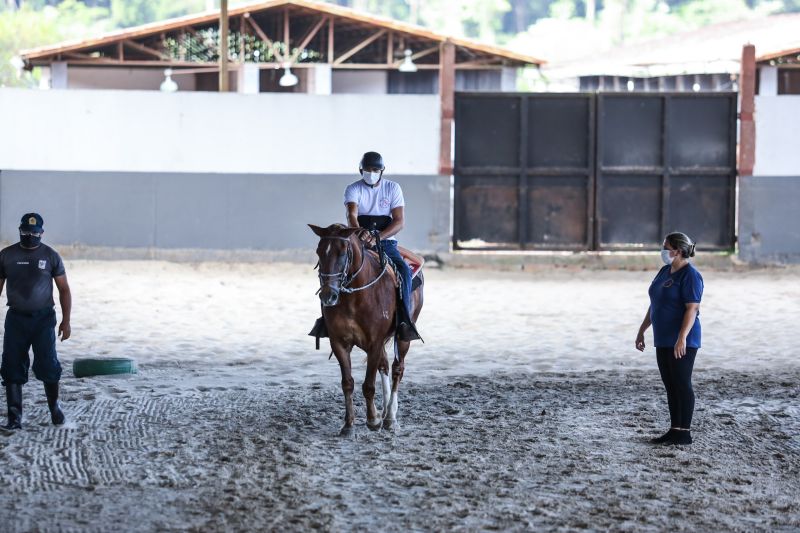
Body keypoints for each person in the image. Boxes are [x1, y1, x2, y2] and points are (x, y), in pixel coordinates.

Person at [0, 213, 72, 431]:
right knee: (11, 365)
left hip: (43, 319)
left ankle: (54, 407)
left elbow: (64, 289)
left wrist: (66, 321)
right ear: (20, 230)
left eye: (34, 233)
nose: (30, 236)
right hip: (16, 319)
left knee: (48, 364)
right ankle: (14, 417)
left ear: (41, 233)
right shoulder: (6, 255)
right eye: (26, 232)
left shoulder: (51, 256)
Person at [635, 232, 703, 445]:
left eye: (667, 247)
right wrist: (642, 329)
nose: (663, 251)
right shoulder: (665, 271)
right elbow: (655, 303)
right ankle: (675, 429)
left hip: (683, 339)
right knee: (670, 384)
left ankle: (685, 432)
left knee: (682, 383)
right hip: (663, 337)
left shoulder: (690, 275)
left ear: (679, 250)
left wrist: (682, 337)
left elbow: (692, 309)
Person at [345, 151, 420, 342]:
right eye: (367, 169)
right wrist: (361, 233)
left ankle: (404, 319)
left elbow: (399, 221)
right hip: (359, 239)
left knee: (402, 269)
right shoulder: (353, 189)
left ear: (382, 170)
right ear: (361, 170)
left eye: (375, 170)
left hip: (386, 241)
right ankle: (326, 319)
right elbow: (351, 216)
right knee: (335, 267)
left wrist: (378, 236)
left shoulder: (393, 188)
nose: (371, 173)